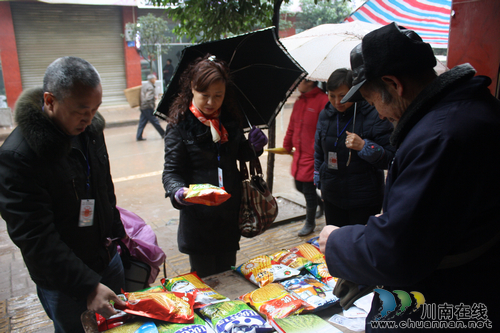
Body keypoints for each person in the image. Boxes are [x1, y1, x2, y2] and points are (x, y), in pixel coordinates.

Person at [319, 23, 500, 331]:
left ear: (393, 84)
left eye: (373, 99)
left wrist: (337, 241)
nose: (378, 113)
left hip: (442, 301)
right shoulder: (472, 109)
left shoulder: (439, 137)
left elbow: (394, 252)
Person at [0, 56, 127, 332]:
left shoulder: (90, 130)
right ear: (49, 101)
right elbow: (35, 238)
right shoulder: (19, 156)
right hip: (67, 284)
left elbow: (104, 188)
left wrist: (119, 236)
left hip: (108, 262)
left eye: (96, 109)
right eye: (81, 110)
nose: (90, 118)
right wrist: (87, 285)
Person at [162, 54, 268, 278]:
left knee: (228, 274)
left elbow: (240, 154)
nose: (211, 102)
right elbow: (171, 171)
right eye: (205, 95)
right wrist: (179, 193)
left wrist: (254, 147)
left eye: (218, 96)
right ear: (192, 87)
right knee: (205, 280)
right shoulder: (180, 125)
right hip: (199, 218)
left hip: (229, 214)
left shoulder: (229, 119)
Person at [314, 69, 395, 227]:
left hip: (364, 198)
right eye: (332, 95)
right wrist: (319, 179)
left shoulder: (374, 114)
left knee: (359, 245)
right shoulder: (326, 115)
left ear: (355, 92)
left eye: (343, 96)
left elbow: (391, 158)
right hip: (332, 194)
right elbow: (318, 151)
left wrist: (365, 147)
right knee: (336, 240)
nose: (337, 102)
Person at [283, 79, 328, 236]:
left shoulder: (323, 100)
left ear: (310, 81)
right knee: (298, 186)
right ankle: (320, 204)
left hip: (313, 155)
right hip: (299, 154)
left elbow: (325, 130)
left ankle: (310, 223)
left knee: (308, 190)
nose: (297, 83)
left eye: (300, 80)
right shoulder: (300, 100)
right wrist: (287, 144)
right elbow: (292, 125)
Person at [136, 73, 165, 141]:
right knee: (154, 121)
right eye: (154, 78)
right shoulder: (150, 87)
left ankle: (139, 136)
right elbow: (148, 98)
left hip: (143, 107)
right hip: (148, 107)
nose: (155, 80)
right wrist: (153, 99)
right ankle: (163, 133)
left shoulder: (145, 85)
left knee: (142, 122)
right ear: (151, 79)